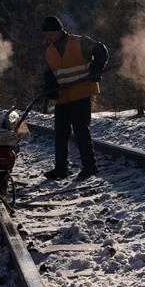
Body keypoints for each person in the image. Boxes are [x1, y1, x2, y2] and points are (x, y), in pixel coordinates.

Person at [41, 15, 108, 181]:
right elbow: (50, 72)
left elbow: (100, 50)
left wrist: (97, 66)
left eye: (49, 33)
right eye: (46, 34)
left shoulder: (79, 42)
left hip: (81, 93)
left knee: (81, 132)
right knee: (60, 134)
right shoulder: (49, 51)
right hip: (63, 98)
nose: (47, 37)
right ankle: (61, 169)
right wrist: (50, 86)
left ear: (57, 30)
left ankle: (90, 167)